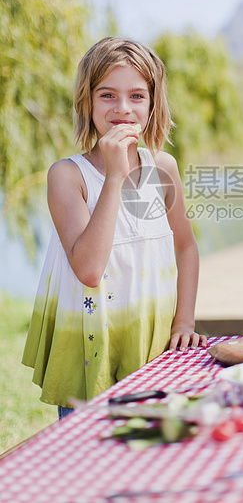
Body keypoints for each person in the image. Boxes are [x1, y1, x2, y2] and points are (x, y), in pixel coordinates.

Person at [23, 37, 207, 419]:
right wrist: (115, 176)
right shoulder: (68, 176)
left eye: (137, 96)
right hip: (94, 344)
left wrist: (185, 320)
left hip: (154, 343)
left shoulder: (163, 168)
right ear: (86, 102)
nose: (123, 109)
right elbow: (89, 269)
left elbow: (186, 247)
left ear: (153, 104)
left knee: (154, 450)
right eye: (107, 95)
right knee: (90, 459)